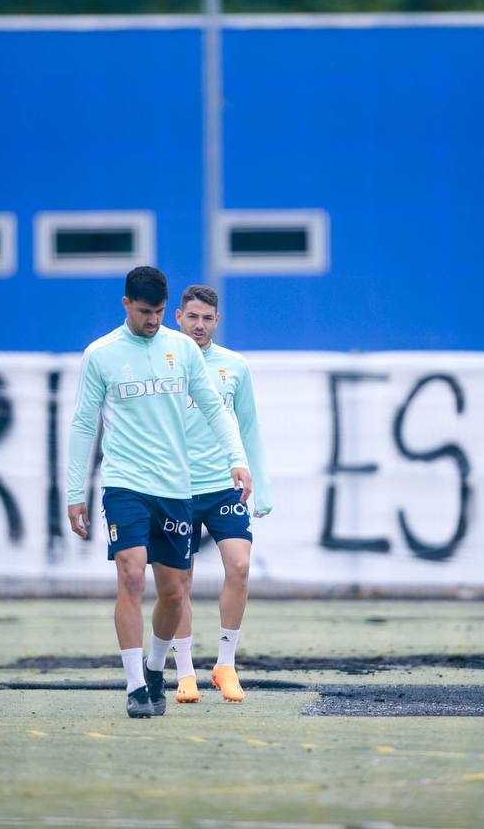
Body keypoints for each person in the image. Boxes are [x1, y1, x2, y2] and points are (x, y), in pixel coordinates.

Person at [66, 266, 252, 719]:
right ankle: (134, 686)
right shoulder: (101, 354)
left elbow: (213, 407)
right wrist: (75, 491)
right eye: (146, 311)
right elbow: (83, 423)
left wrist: (237, 458)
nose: (154, 320)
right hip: (124, 484)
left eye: (160, 312)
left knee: (173, 593)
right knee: (131, 576)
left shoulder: (181, 349)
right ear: (127, 304)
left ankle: (154, 667)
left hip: (174, 487)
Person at [169, 285, 273, 704]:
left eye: (207, 318)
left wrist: (260, 485)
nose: (199, 325)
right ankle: (184, 671)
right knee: (179, 580)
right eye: (192, 316)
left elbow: (248, 427)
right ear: (178, 317)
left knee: (240, 566)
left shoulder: (235, 366)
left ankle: (226, 664)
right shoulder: (165, 362)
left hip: (223, 487)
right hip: (175, 487)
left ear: (217, 320)